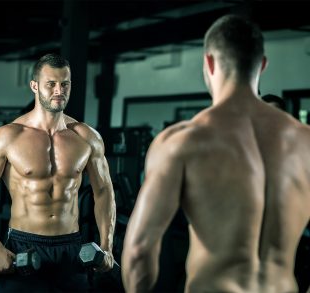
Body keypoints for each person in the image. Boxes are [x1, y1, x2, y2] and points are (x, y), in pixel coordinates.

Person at [122, 14, 310, 293]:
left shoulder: (182, 142)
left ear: (208, 63)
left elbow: (138, 252)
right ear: (263, 65)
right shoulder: (304, 141)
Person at [0, 53, 116, 292]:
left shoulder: (86, 137)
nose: (59, 90)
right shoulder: (7, 136)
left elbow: (104, 191)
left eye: (65, 84)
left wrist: (107, 246)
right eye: (51, 84)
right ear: (34, 86)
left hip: (71, 249)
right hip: (23, 246)